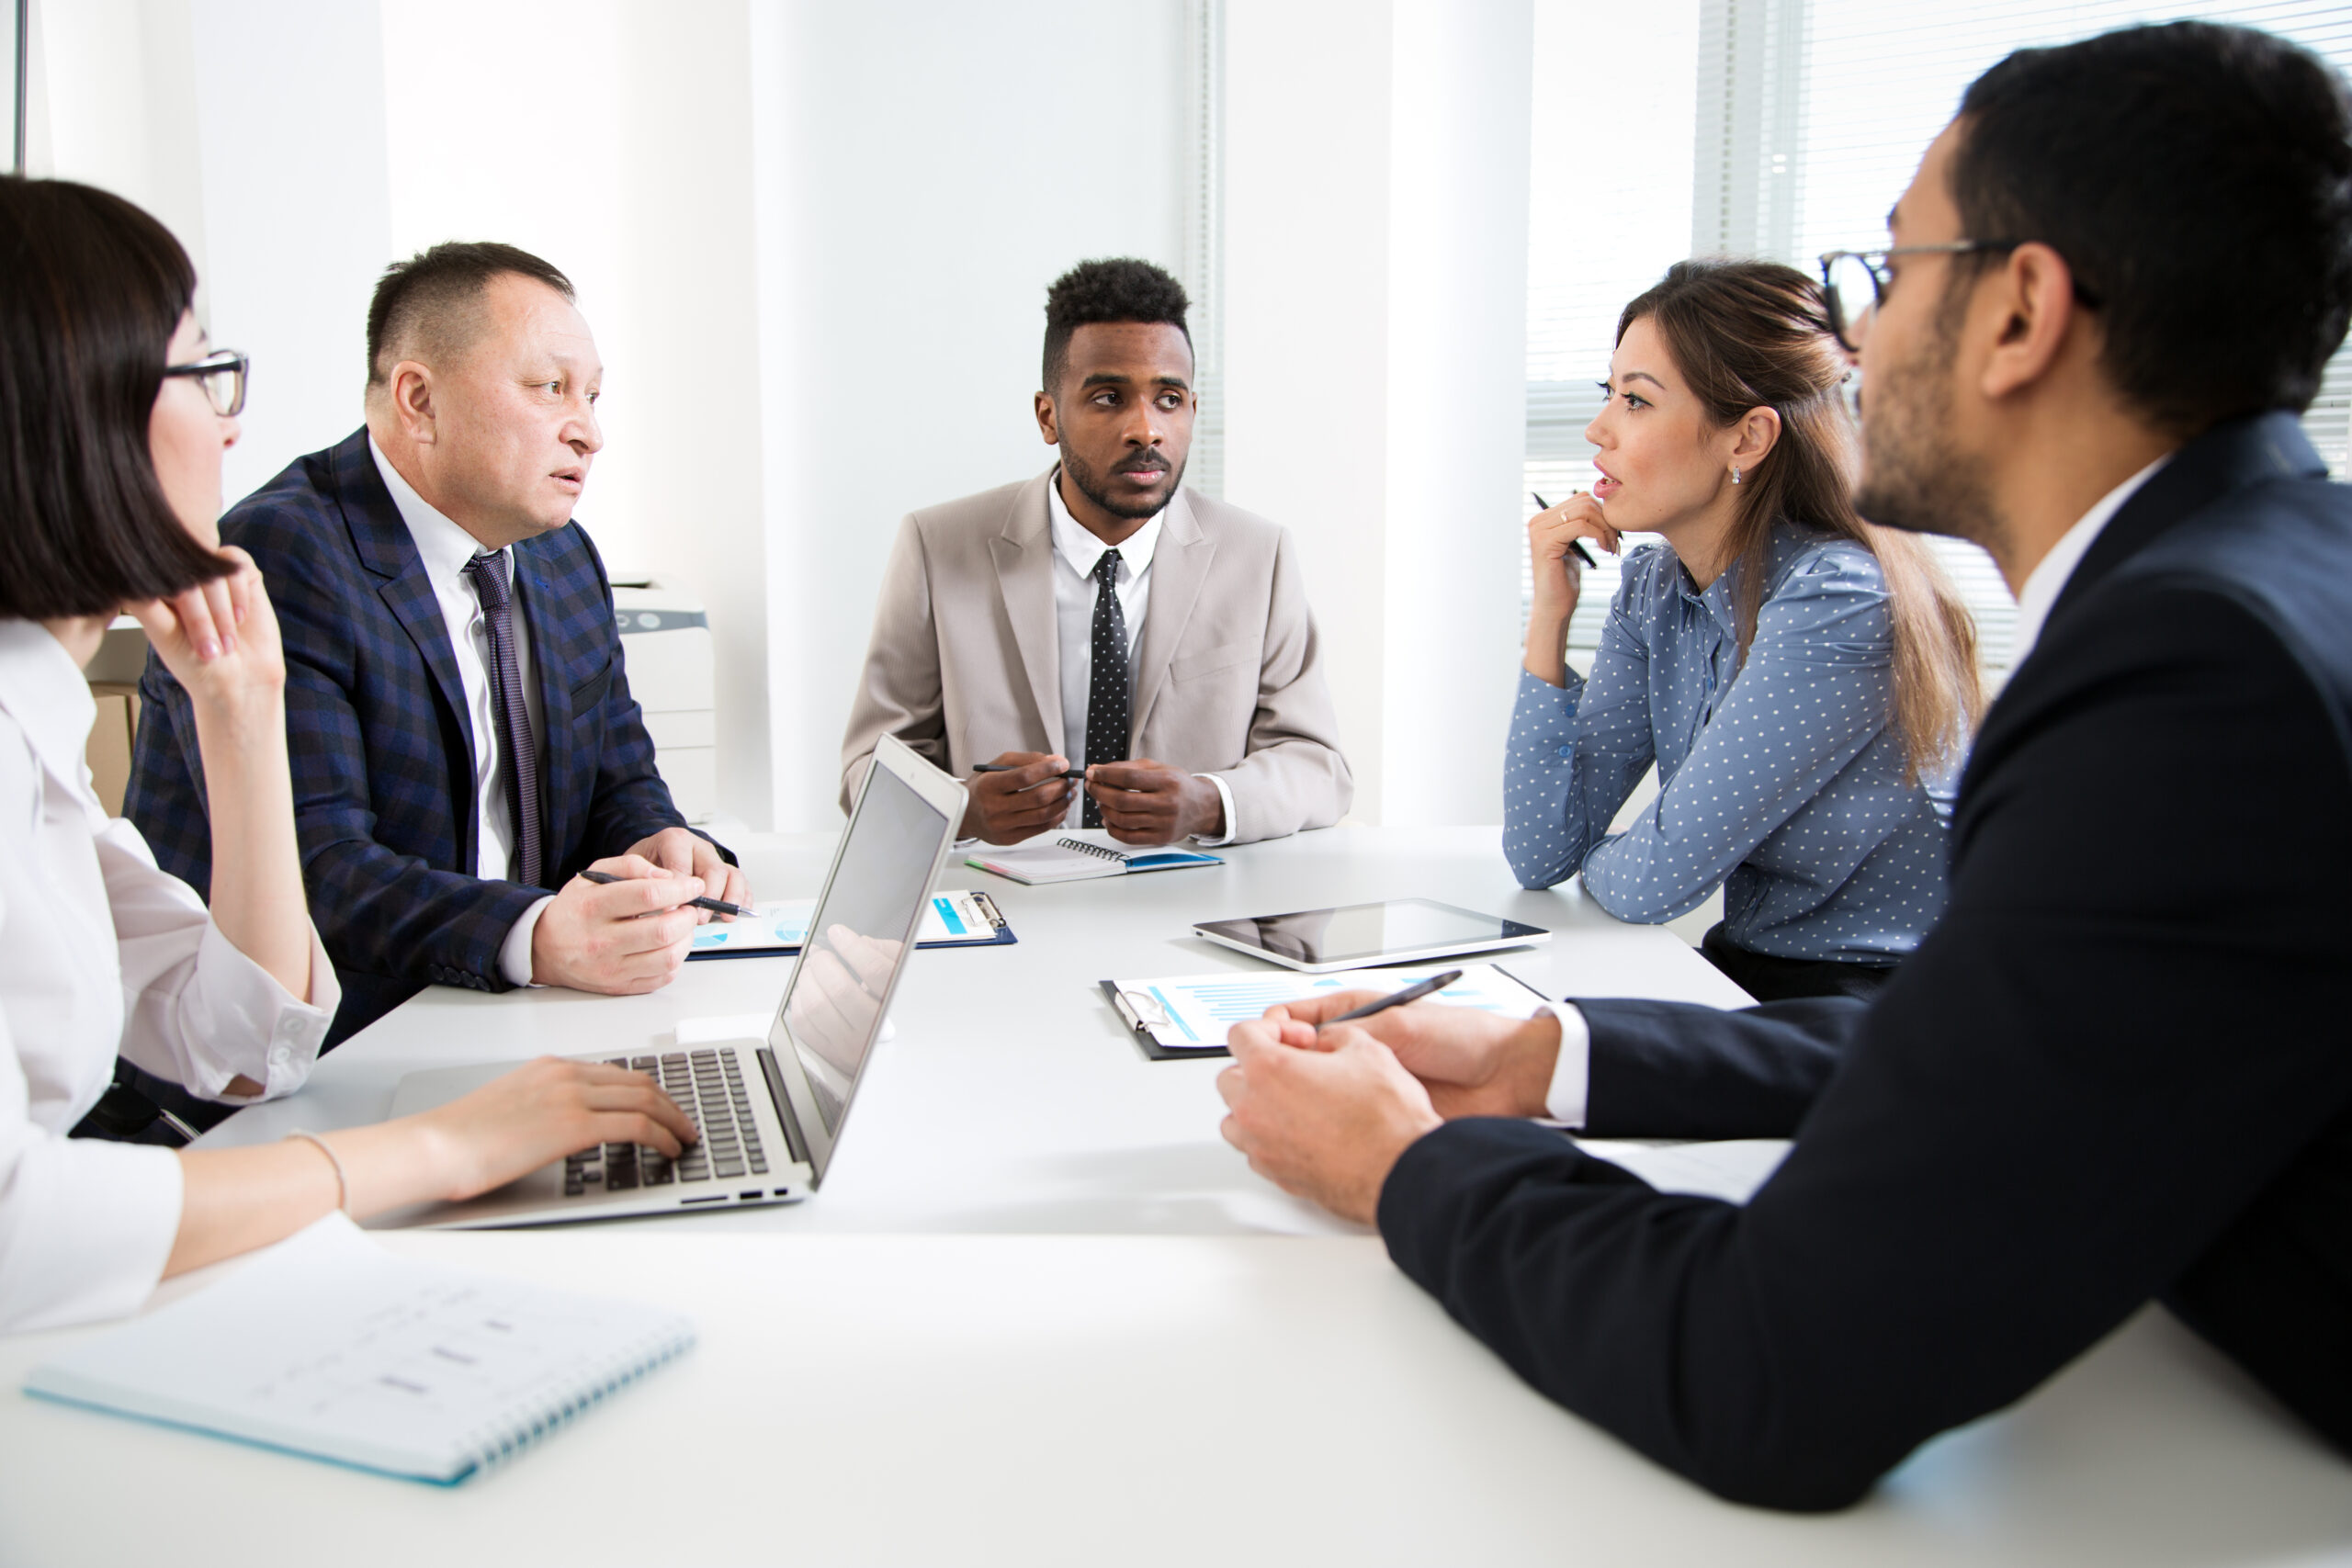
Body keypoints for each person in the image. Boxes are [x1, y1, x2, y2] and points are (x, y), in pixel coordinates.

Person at [1214, 20, 2352, 1509]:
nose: (1853, 344)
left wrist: (1401, 1169)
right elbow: (2014, 1040)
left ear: (2021, 311)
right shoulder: (2248, 592)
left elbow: (1778, 1367)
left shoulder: (2188, 677)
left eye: (1888, 275)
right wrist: (1557, 1056)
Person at [0, 176, 696, 1333]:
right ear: (69, 408)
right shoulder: (290, 543)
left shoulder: (40, 725)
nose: (232, 424)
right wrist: (433, 1148)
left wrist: (241, 712)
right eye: (200, 375)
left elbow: (246, 1043)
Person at [128, 242, 747, 1054]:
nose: (589, 432)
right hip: (320, 1047)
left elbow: (619, 778)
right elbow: (322, 867)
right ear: (419, 398)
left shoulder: (561, 556)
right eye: (550, 388)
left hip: (504, 1020)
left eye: (593, 396)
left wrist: (657, 841)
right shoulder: (287, 552)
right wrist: (534, 934)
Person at [1508, 263, 1980, 1001]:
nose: (1599, 429)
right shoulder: (1656, 587)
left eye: (1635, 400)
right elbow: (1540, 852)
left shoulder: (1838, 600)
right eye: (1610, 394)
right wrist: (1550, 615)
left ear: (1748, 438)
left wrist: (1618, 854)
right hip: (1750, 966)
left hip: (1888, 998)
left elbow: (1650, 885)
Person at [840, 258, 1350, 847]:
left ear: (1191, 410)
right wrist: (962, 810)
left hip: (1189, 910)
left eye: (1168, 399)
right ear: (1048, 416)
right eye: (1109, 397)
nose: (1146, 429)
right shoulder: (937, 547)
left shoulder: (1259, 556)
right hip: (1009, 907)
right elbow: (866, 773)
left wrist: (1209, 803)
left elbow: (1318, 766)